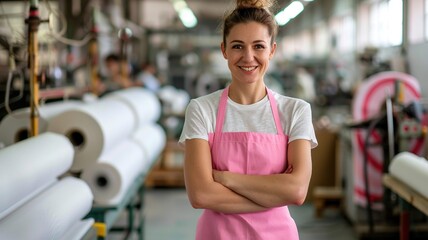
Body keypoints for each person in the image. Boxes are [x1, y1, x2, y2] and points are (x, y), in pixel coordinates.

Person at [179, 0, 318, 239]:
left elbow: (296, 191)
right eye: (237, 46)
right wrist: (273, 194)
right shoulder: (202, 110)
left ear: (272, 50)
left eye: (258, 46)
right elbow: (201, 195)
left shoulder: (295, 111)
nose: (248, 57)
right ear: (224, 50)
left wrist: (225, 178)